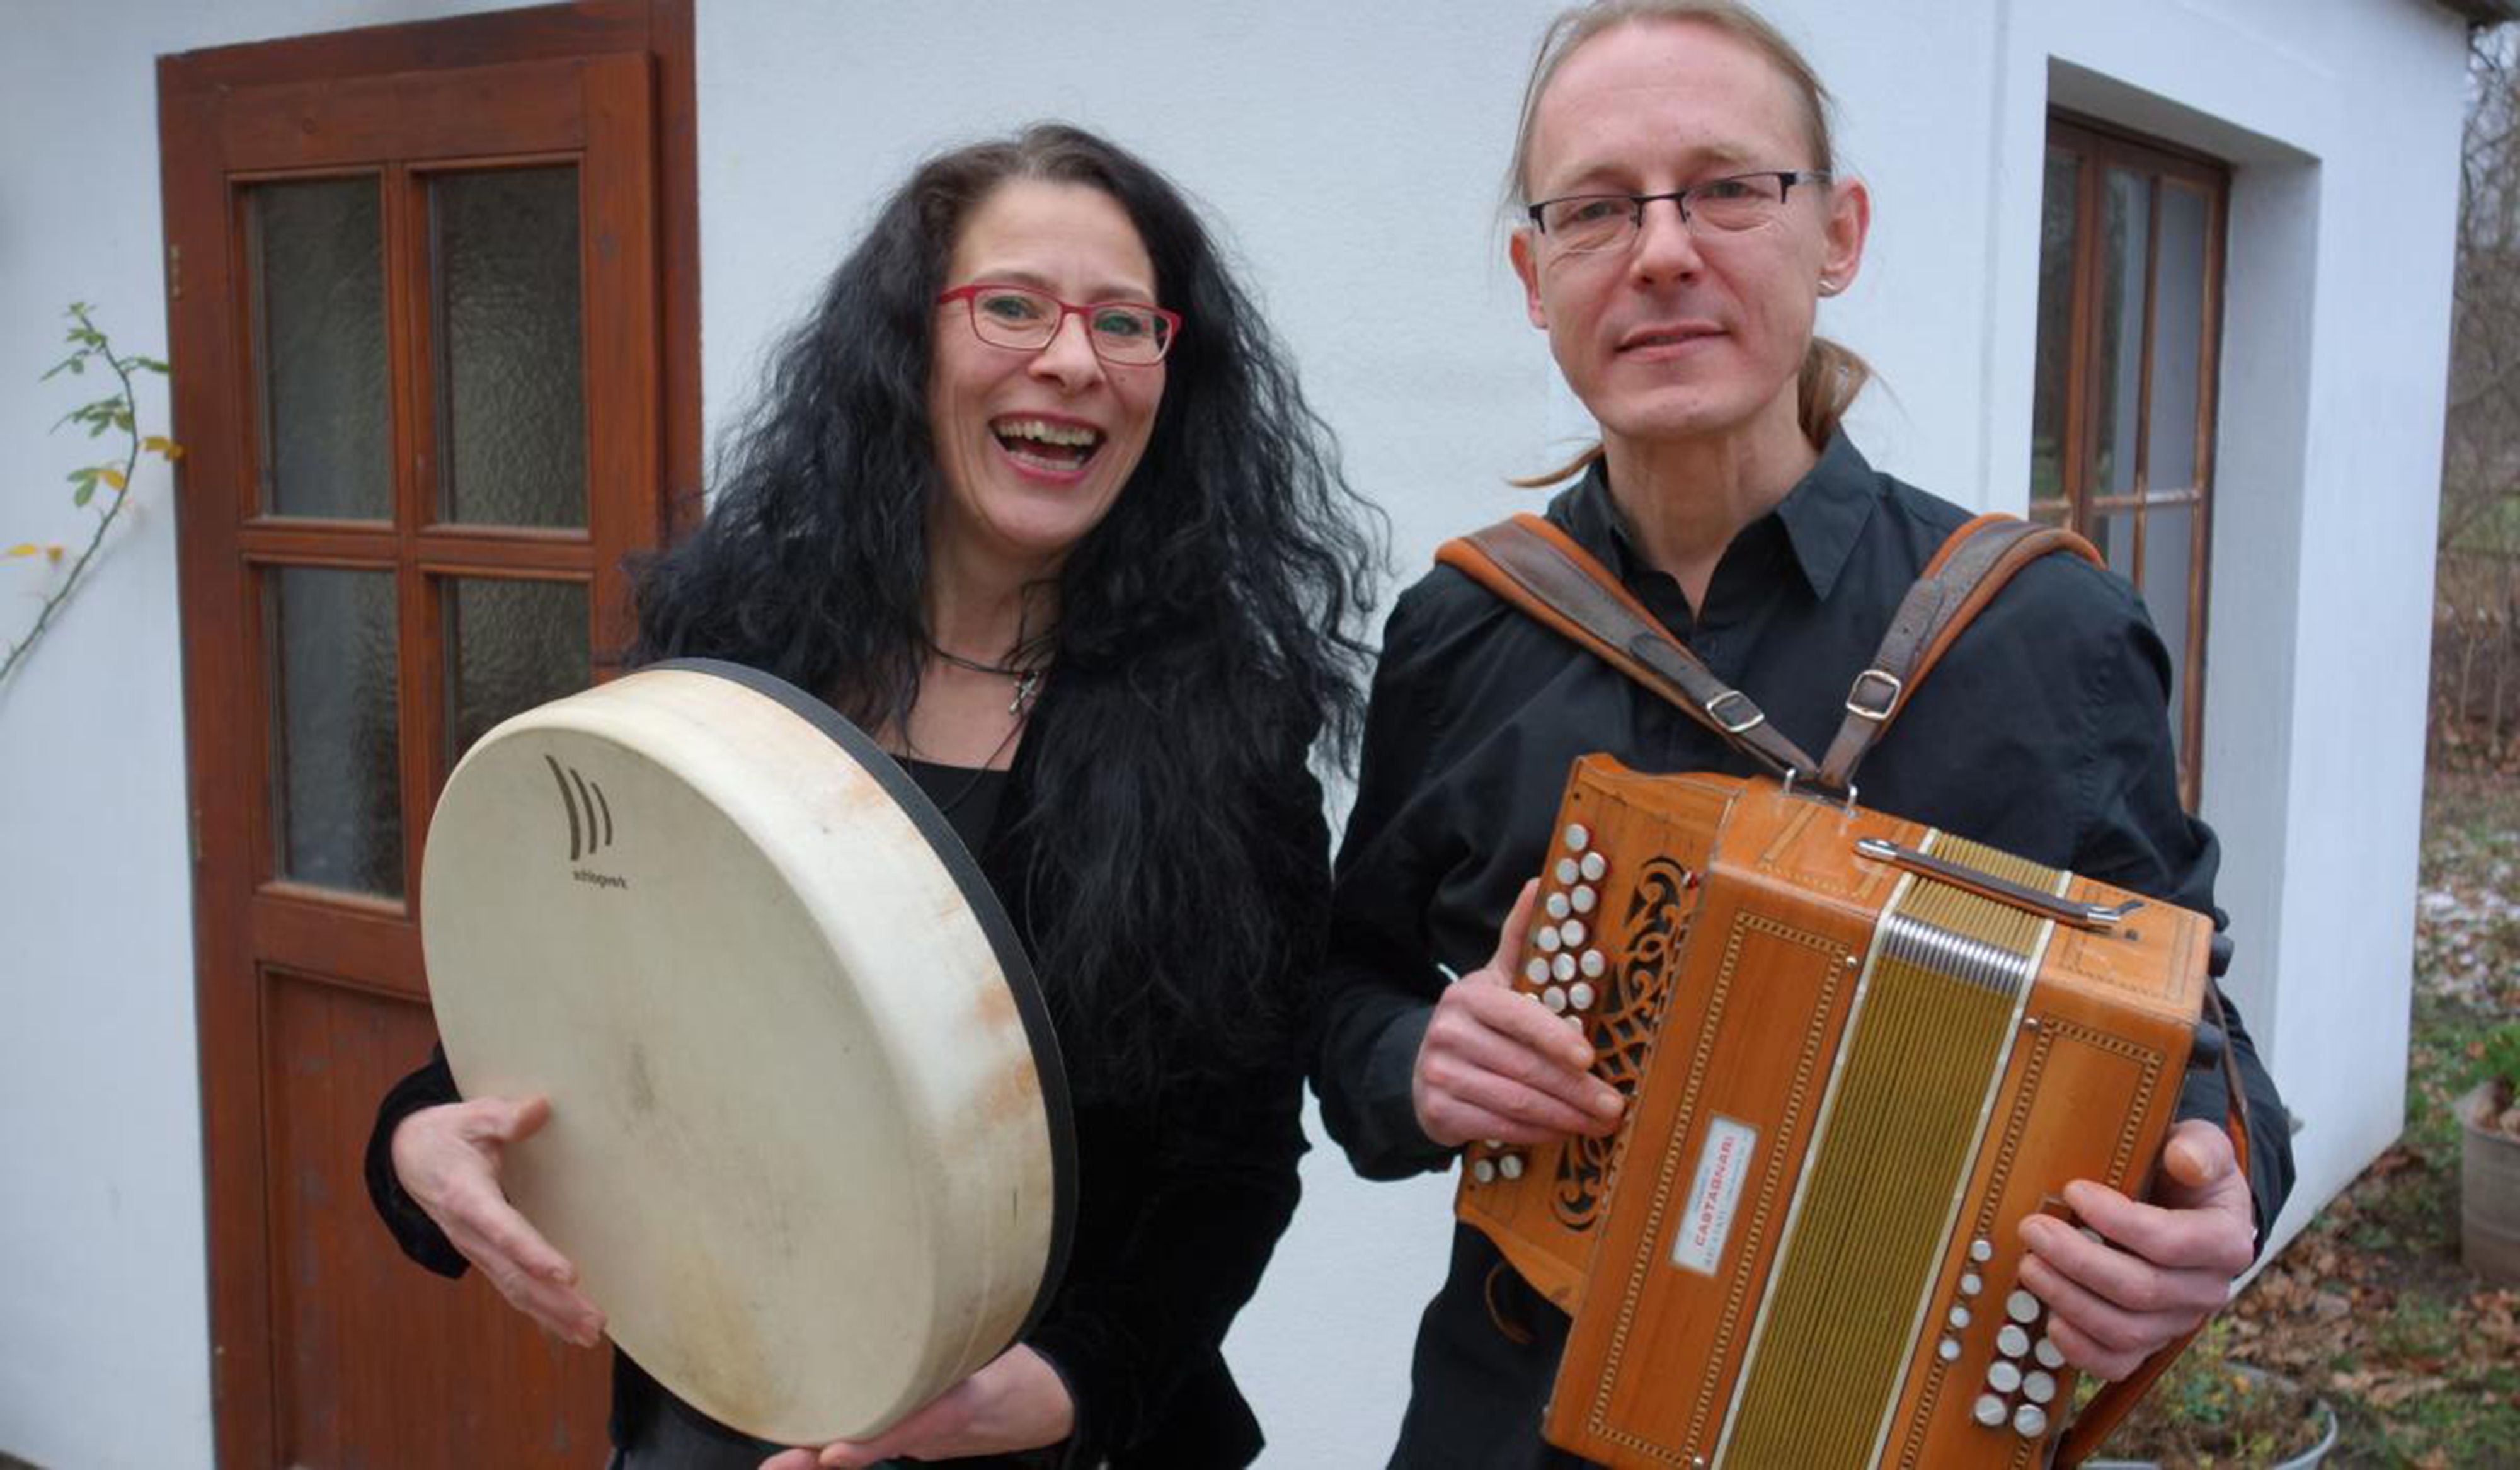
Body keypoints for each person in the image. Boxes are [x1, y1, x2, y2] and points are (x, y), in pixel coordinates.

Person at [1309, 3, 2296, 1463]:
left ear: (1833, 234)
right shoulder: (1464, 632)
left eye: (1724, 187)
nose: (1659, 251)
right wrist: (1413, 1065)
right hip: (1511, 1417)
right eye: (1594, 208)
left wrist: (2221, 1202)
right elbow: (1346, 988)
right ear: (1535, 275)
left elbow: (2195, 1035)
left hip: (1892, 1420)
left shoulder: (2042, 632)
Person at [366, 123, 1380, 1470]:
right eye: (1011, 306)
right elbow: (577, 1036)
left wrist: (1066, 1384)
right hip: (722, 1418)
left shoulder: (1223, 733)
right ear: (906, 346)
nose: (1071, 361)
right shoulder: (738, 663)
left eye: (1123, 324)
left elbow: (1233, 1169)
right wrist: (419, 1144)